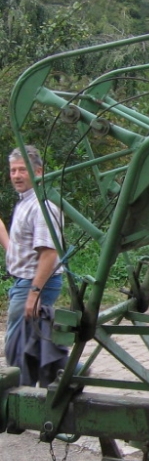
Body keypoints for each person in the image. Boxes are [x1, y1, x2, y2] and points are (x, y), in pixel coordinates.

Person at [1, 145, 65, 385]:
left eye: (22, 170)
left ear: (38, 172)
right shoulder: (24, 202)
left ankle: (20, 405)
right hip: (25, 281)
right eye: (13, 170)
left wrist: (34, 293)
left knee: (17, 347)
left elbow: (49, 254)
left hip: (34, 284)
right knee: (32, 343)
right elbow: (25, 250)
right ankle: (68, 372)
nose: (16, 176)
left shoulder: (42, 206)